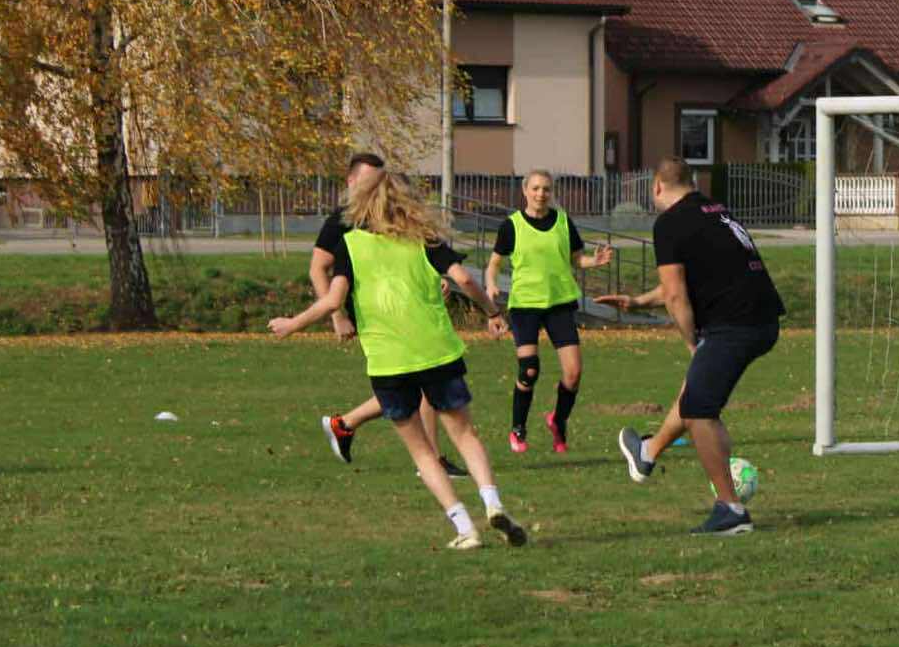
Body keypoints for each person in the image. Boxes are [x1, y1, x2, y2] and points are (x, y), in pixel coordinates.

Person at [269, 170, 528, 551]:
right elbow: (465, 280)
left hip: (388, 362)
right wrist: (492, 311)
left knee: (422, 452)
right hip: (436, 351)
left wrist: (293, 324)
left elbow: (333, 300)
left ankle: (465, 528)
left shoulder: (350, 245)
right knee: (465, 435)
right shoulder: (424, 238)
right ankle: (493, 503)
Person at [609, 158, 784, 535]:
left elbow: (676, 295)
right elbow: (695, 280)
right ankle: (647, 453)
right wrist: (639, 302)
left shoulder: (669, 223)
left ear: (657, 186)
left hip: (733, 325)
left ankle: (730, 510)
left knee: (698, 408)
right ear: (692, 182)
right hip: (763, 319)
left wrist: (693, 343)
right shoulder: (716, 211)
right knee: (696, 396)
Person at [311, 152, 467, 477]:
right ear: (352, 181)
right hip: (374, 319)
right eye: (370, 180)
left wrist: (432, 282)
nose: (379, 186)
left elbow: (405, 263)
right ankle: (431, 461)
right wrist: (337, 316)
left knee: (413, 382)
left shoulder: (391, 214)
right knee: (418, 380)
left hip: (405, 313)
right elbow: (318, 268)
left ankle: (346, 424)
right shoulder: (342, 220)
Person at [484, 170, 614, 455]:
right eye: (535, 188)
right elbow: (494, 263)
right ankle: (518, 427)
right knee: (529, 370)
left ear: (551, 192)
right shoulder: (512, 226)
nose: (540, 194)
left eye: (546, 189)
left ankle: (558, 420)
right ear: (525, 190)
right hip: (525, 305)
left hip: (559, 303)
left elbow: (576, 259)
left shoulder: (564, 222)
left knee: (574, 373)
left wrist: (595, 261)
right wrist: (491, 284)